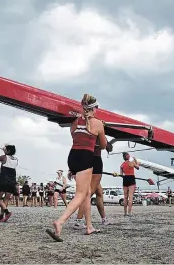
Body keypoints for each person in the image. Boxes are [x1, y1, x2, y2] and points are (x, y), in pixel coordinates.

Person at [46, 93, 107, 241]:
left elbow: (76, 136)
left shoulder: (75, 122)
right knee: (81, 194)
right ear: (95, 108)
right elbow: (104, 146)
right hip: (85, 158)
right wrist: (101, 129)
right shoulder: (98, 123)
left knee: (86, 192)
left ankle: (89, 226)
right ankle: (60, 222)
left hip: (72, 156)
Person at [74, 139, 113, 229]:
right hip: (95, 160)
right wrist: (107, 143)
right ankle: (78, 221)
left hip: (84, 160)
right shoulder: (98, 130)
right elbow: (108, 148)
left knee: (99, 192)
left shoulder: (84, 131)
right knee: (88, 193)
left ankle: (104, 219)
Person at [0, 144, 18, 222]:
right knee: (5, 200)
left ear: (8, 150)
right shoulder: (16, 159)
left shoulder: (3, 157)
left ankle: (7, 212)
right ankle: (1, 217)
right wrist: (4, 150)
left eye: (5, 149)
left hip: (3, 181)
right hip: (11, 182)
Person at [120, 152, 140, 216]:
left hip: (125, 179)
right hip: (131, 178)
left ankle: (125, 212)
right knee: (130, 197)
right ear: (128, 156)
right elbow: (138, 167)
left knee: (125, 197)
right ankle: (129, 212)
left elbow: (121, 175)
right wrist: (135, 160)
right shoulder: (132, 162)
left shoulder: (122, 165)